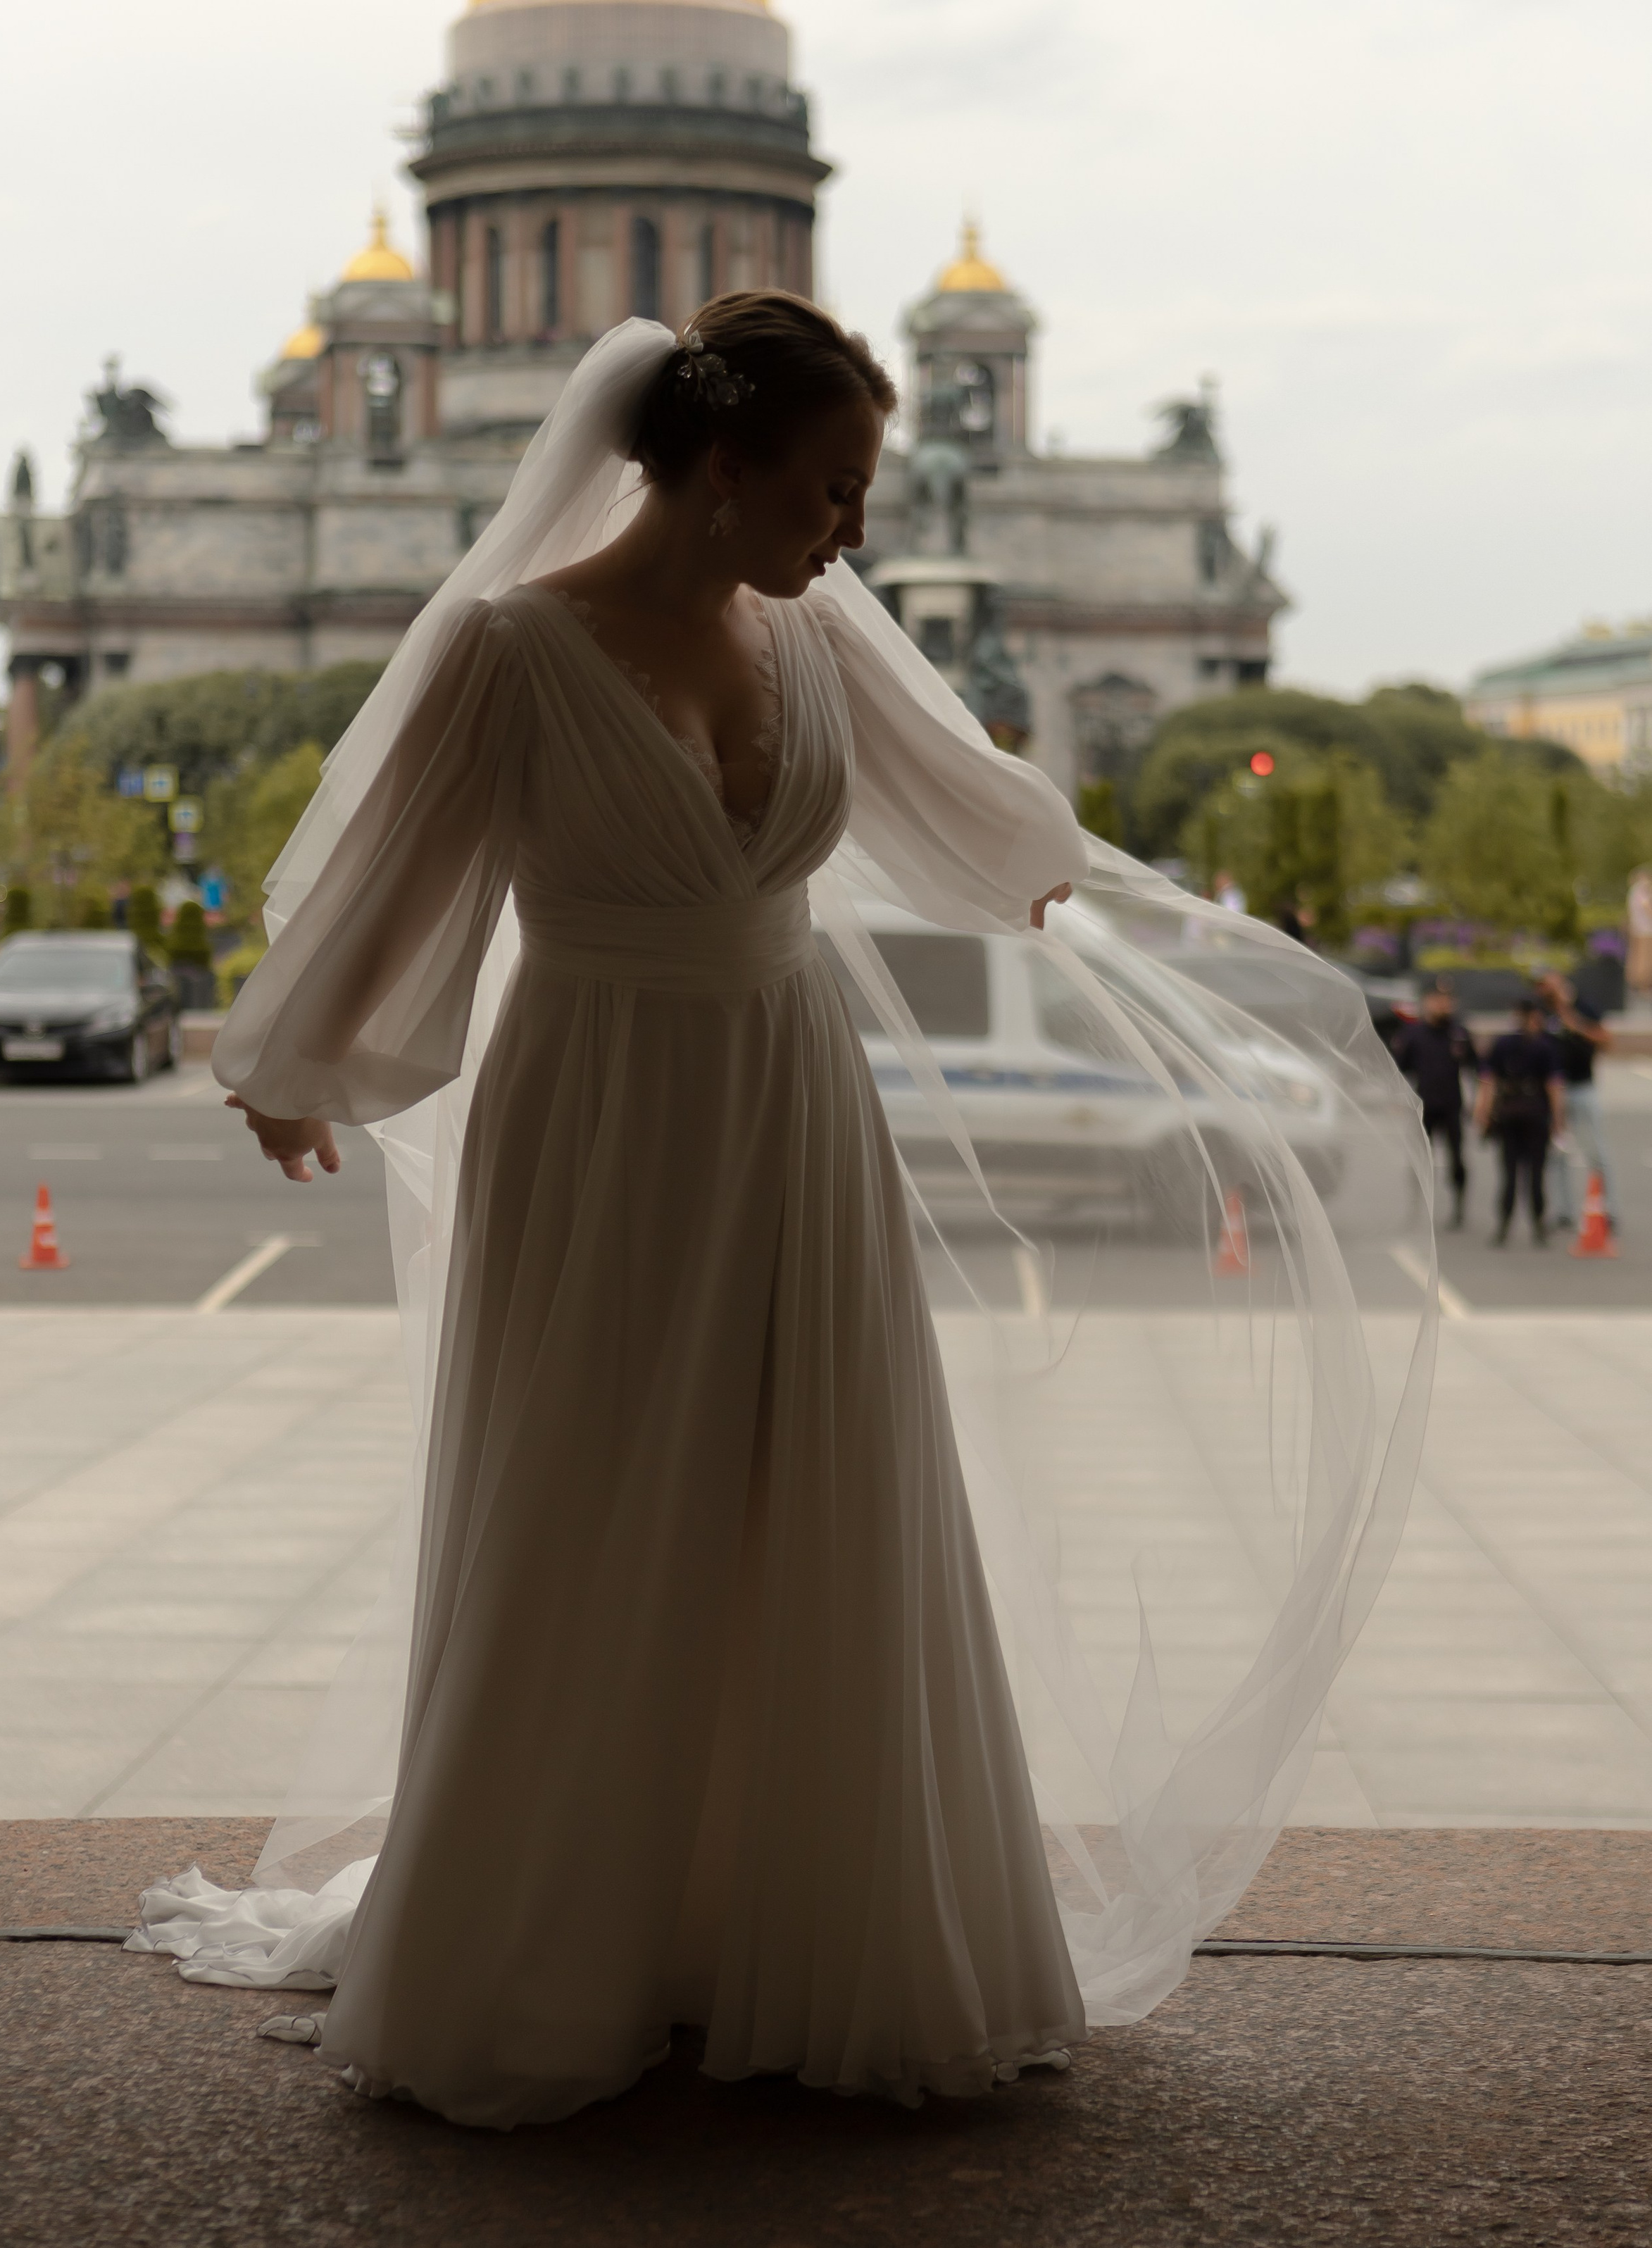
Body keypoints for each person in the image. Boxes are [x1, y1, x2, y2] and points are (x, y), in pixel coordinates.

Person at [126, 301, 1434, 2129]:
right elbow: (391, 881)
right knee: (591, 1492)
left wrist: (1064, 890)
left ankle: (807, 1920)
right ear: (722, 468)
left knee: (821, 1481)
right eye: (831, 489)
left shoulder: (816, 636)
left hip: (793, 1093)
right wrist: (298, 1065)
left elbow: (966, 809)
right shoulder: (509, 649)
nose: (855, 531)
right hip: (597, 1107)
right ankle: (551, 1936)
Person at [1475, 997, 1565, 1248]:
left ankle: (1510, 1226)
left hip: (1513, 1112)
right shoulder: (1544, 1046)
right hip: (1531, 1113)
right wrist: (1558, 1119)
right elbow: (1554, 1086)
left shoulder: (1505, 1043)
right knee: (1528, 1174)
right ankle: (1534, 1226)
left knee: (1515, 1173)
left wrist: (1483, 1112)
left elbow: (1488, 1082)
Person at [1391, 981, 1476, 1228]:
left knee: (1457, 1158)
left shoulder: (1459, 1033)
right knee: (1420, 1160)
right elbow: (1398, 1070)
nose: (1444, 1005)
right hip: (1424, 1105)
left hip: (1452, 1105)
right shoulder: (1413, 1034)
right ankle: (1418, 1207)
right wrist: (1398, 1099)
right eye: (1438, 1000)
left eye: (1447, 1000)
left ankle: (1459, 1208)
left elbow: (1477, 1069)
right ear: (1427, 1002)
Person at [1536, 970, 1615, 1230]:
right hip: (1556, 1089)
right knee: (1558, 1151)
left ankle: (1608, 1207)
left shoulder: (1584, 1006)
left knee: (1596, 1151)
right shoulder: (1543, 1012)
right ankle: (1564, 1210)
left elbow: (1606, 1039)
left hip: (1583, 1086)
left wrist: (1574, 1022)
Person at [1627, 866, 1652, 1006]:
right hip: (1645, 931)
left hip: (1639, 929)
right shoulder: (1640, 891)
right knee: (1644, 959)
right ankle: (1643, 986)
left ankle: (1638, 985)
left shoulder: (1633, 891)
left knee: (1637, 958)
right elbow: (1647, 908)